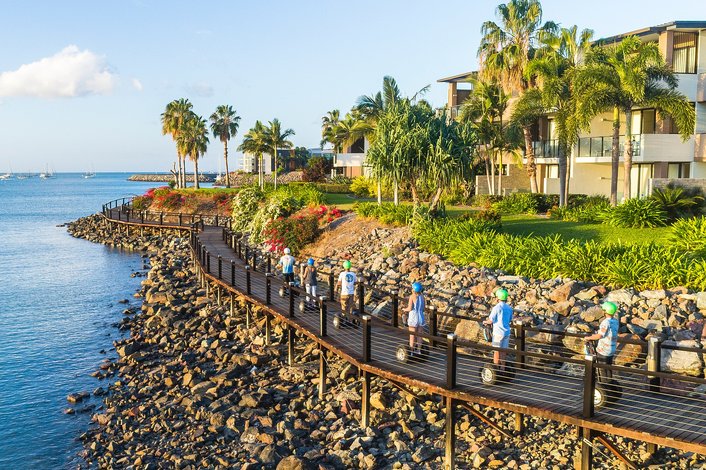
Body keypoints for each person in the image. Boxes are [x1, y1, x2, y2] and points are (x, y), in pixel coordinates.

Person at [583, 301, 619, 379]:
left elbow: (600, 335)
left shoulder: (605, 322)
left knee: (602, 369)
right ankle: (609, 382)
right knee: (608, 367)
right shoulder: (616, 321)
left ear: (605, 311)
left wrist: (588, 338)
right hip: (612, 349)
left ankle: (603, 384)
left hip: (603, 350)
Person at [484, 288, 513, 369]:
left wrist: (485, 322)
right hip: (506, 332)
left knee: (496, 351)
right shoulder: (509, 308)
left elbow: (491, 320)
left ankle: (496, 368)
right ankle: (503, 368)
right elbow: (510, 319)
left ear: (498, 298)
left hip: (498, 333)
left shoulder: (497, 308)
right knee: (503, 351)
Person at [406, 282, 426, 356]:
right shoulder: (422, 297)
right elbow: (423, 308)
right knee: (420, 335)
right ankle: (418, 350)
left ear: (414, 289)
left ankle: (411, 351)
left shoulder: (412, 296)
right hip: (421, 317)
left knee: (412, 335)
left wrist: (404, 309)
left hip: (413, 317)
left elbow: (410, 308)